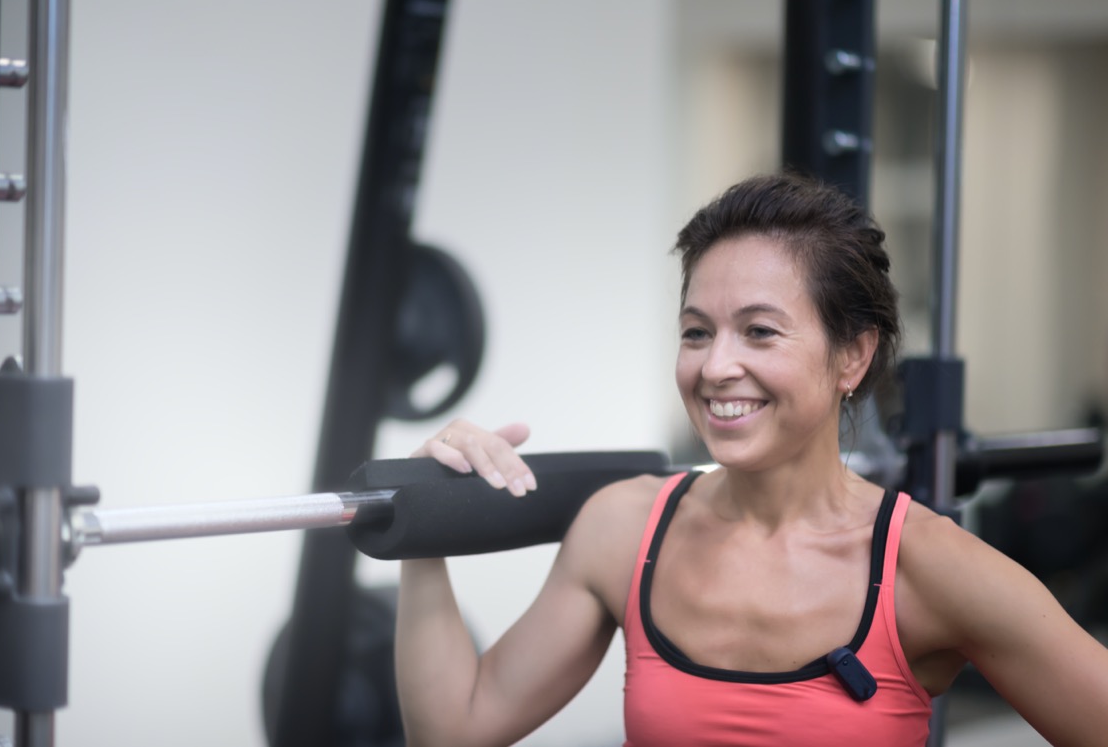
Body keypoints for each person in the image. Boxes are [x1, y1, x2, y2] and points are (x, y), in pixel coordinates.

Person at [393, 173, 1108, 747]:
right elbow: (456, 725)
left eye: (760, 331)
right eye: (697, 332)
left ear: (852, 354)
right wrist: (424, 520)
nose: (716, 366)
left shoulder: (926, 565)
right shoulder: (624, 529)